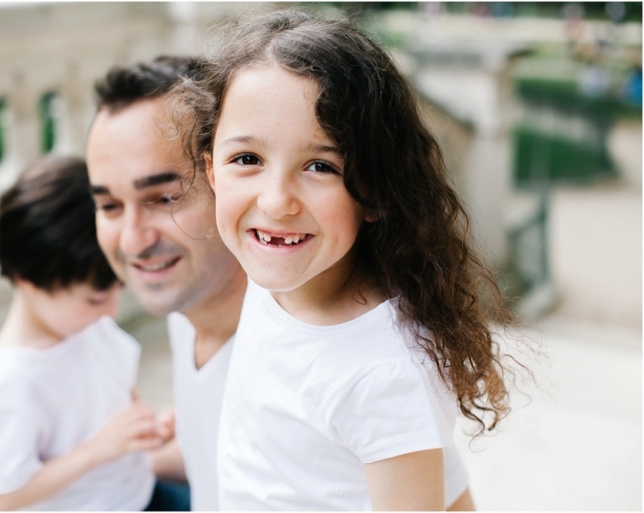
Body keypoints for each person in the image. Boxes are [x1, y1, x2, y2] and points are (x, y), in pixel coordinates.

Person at [175, 10, 521, 510]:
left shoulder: (383, 372)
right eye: (247, 159)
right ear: (212, 171)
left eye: (320, 166)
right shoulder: (275, 273)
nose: (275, 202)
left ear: (377, 191)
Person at [0, 155, 182, 511]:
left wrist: (146, 428)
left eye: (117, 290)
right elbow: (0, 496)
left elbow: (117, 392)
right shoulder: (15, 383)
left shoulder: (87, 326)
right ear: (27, 279)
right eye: (96, 298)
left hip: (139, 492)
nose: (111, 310)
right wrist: (98, 450)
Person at [86, 57, 247, 511]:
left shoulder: (304, 355)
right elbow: (213, 464)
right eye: (111, 206)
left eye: (164, 198)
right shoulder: (188, 309)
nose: (134, 241)